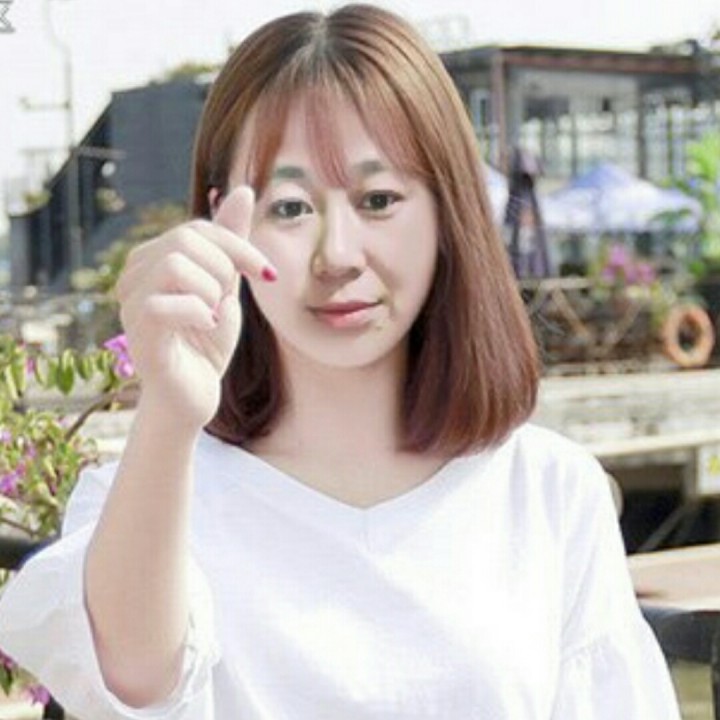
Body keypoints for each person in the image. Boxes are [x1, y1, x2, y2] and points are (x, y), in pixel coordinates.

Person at [0, 4, 681, 719]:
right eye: (291, 208)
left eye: (378, 199)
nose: (338, 256)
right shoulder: (154, 491)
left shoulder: (546, 490)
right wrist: (170, 410)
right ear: (223, 221)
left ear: (447, 213)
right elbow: (132, 682)